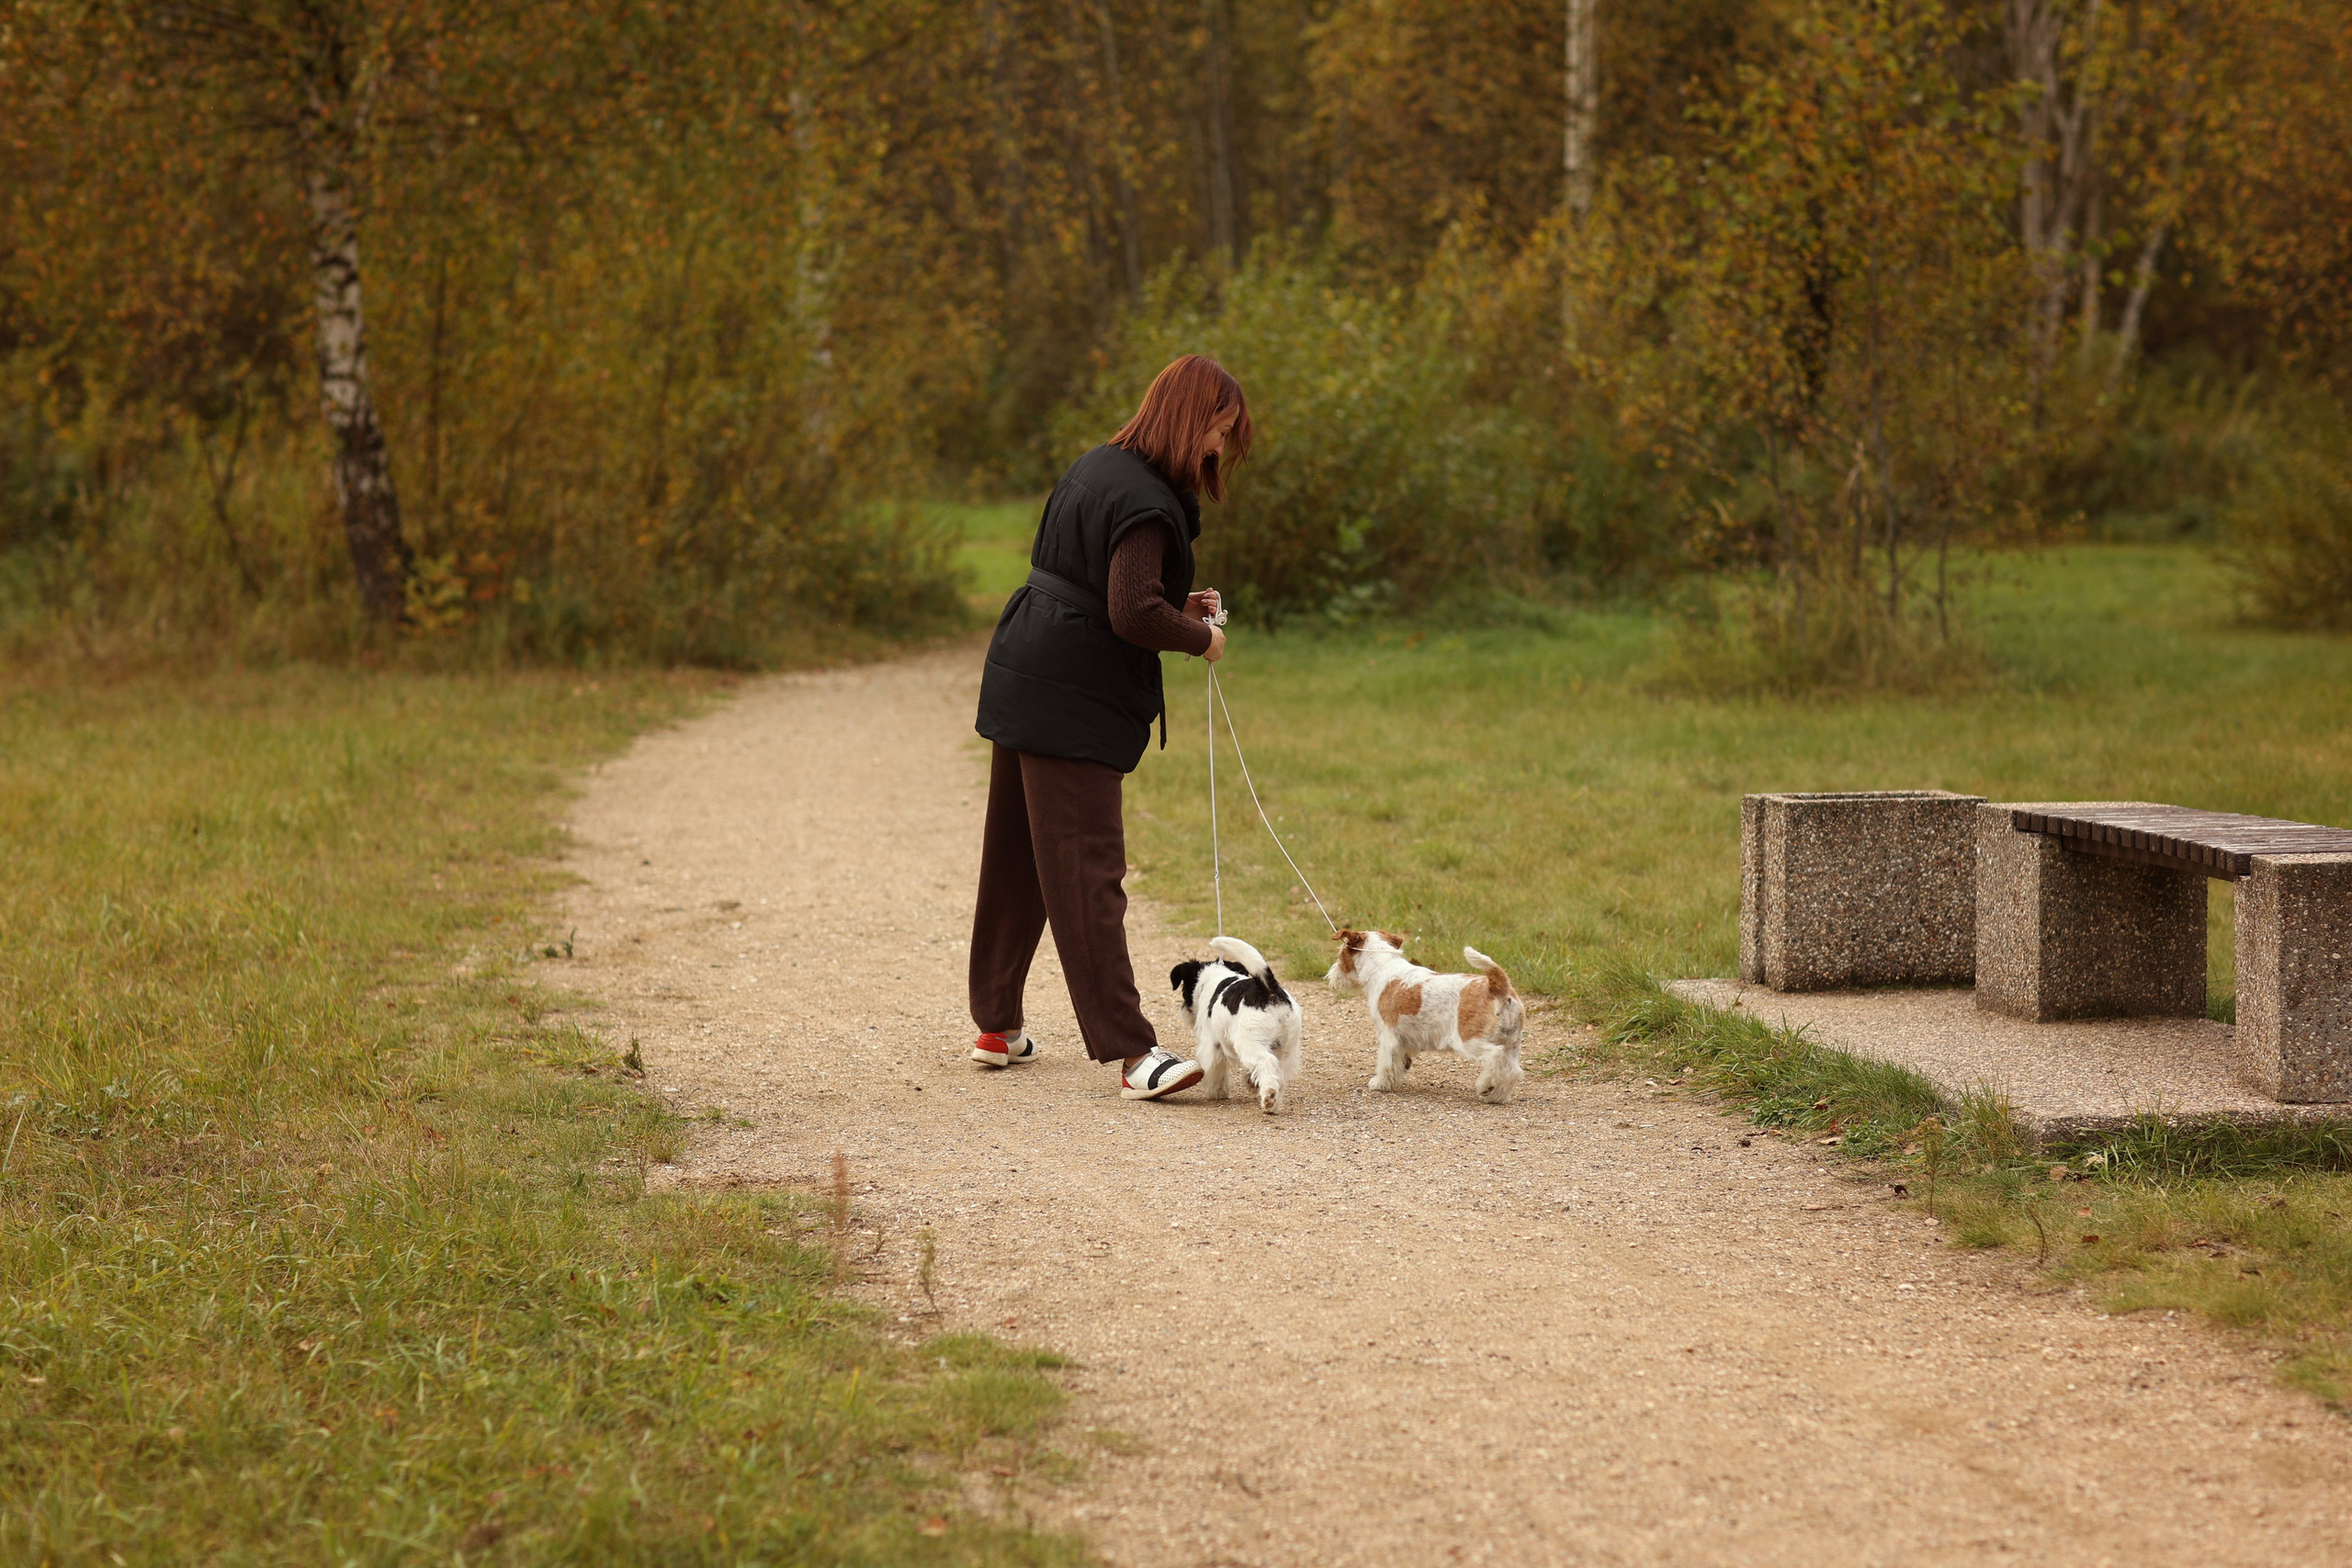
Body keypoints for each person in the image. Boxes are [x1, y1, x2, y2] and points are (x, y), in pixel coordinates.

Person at [966, 355, 1251, 1100]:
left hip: (1028, 666)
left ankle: (996, 1026)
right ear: (1193, 421)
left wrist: (1174, 603)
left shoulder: (1102, 465)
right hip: (1072, 695)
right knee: (1091, 873)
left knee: (1020, 858)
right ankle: (1133, 1052)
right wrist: (1203, 638)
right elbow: (1129, 612)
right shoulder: (1149, 501)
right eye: (1219, 431)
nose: (1219, 448)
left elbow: (1100, 583)